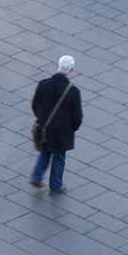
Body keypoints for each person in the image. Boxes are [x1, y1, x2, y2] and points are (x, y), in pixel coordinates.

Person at [29, 56, 83, 195]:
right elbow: (77, 116)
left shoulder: (44, 83)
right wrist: (73, 128)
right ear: (71, 69)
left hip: (45, 128)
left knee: (45, 151)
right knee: (59, 157)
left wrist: (41, 119)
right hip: (62, 132)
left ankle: (36, 176)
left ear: (57, 65)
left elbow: (35, 104)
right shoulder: (73, 91)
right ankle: (55, 186)